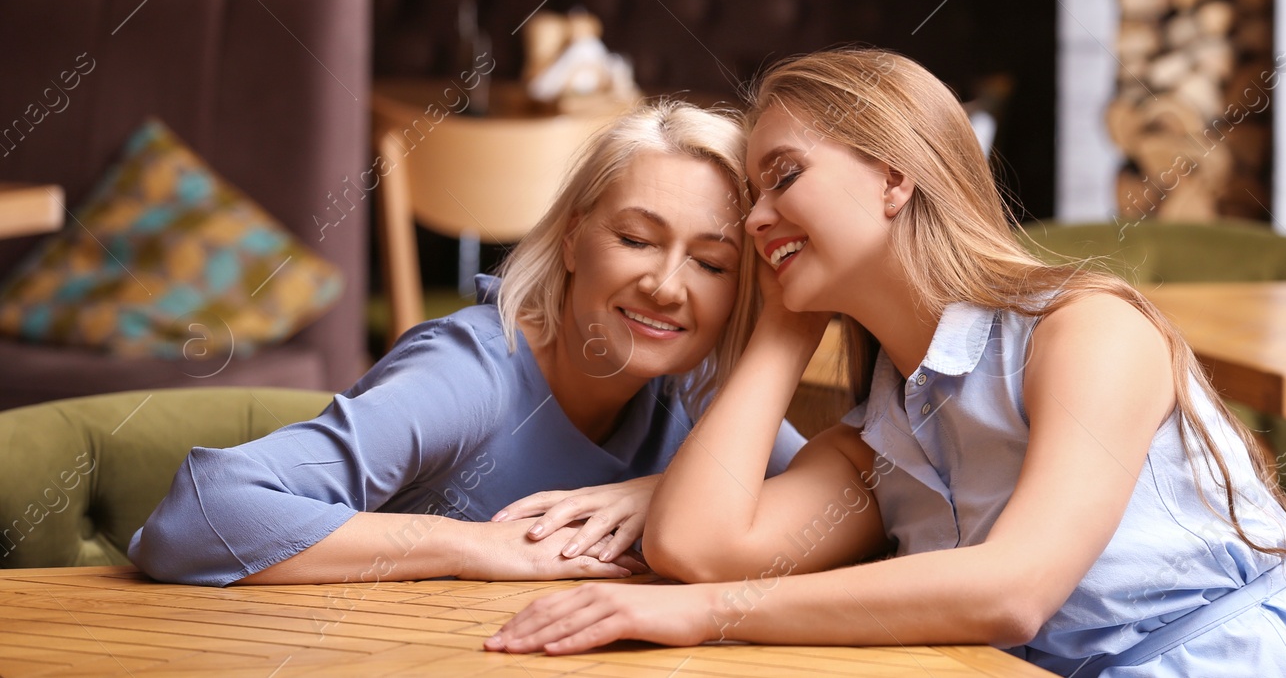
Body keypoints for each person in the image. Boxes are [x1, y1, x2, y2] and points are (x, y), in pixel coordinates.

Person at [484, 49, 1286, 678]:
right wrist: (789, 327)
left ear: (895, 177)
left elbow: (1014, 589)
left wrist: (695, 617)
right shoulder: (886, 433)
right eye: (753, 195)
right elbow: (696, 546)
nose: (755, 219)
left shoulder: (1087, 331)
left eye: (783, 177)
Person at [129, 99, 804, 588]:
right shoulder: (472, 375)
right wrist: (474, 546)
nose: (664, 284)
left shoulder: (696, 392)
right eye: (635, 239)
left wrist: (664, 491)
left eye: (712, 263)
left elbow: (865, 490)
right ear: (572, 238)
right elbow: (199, 512)